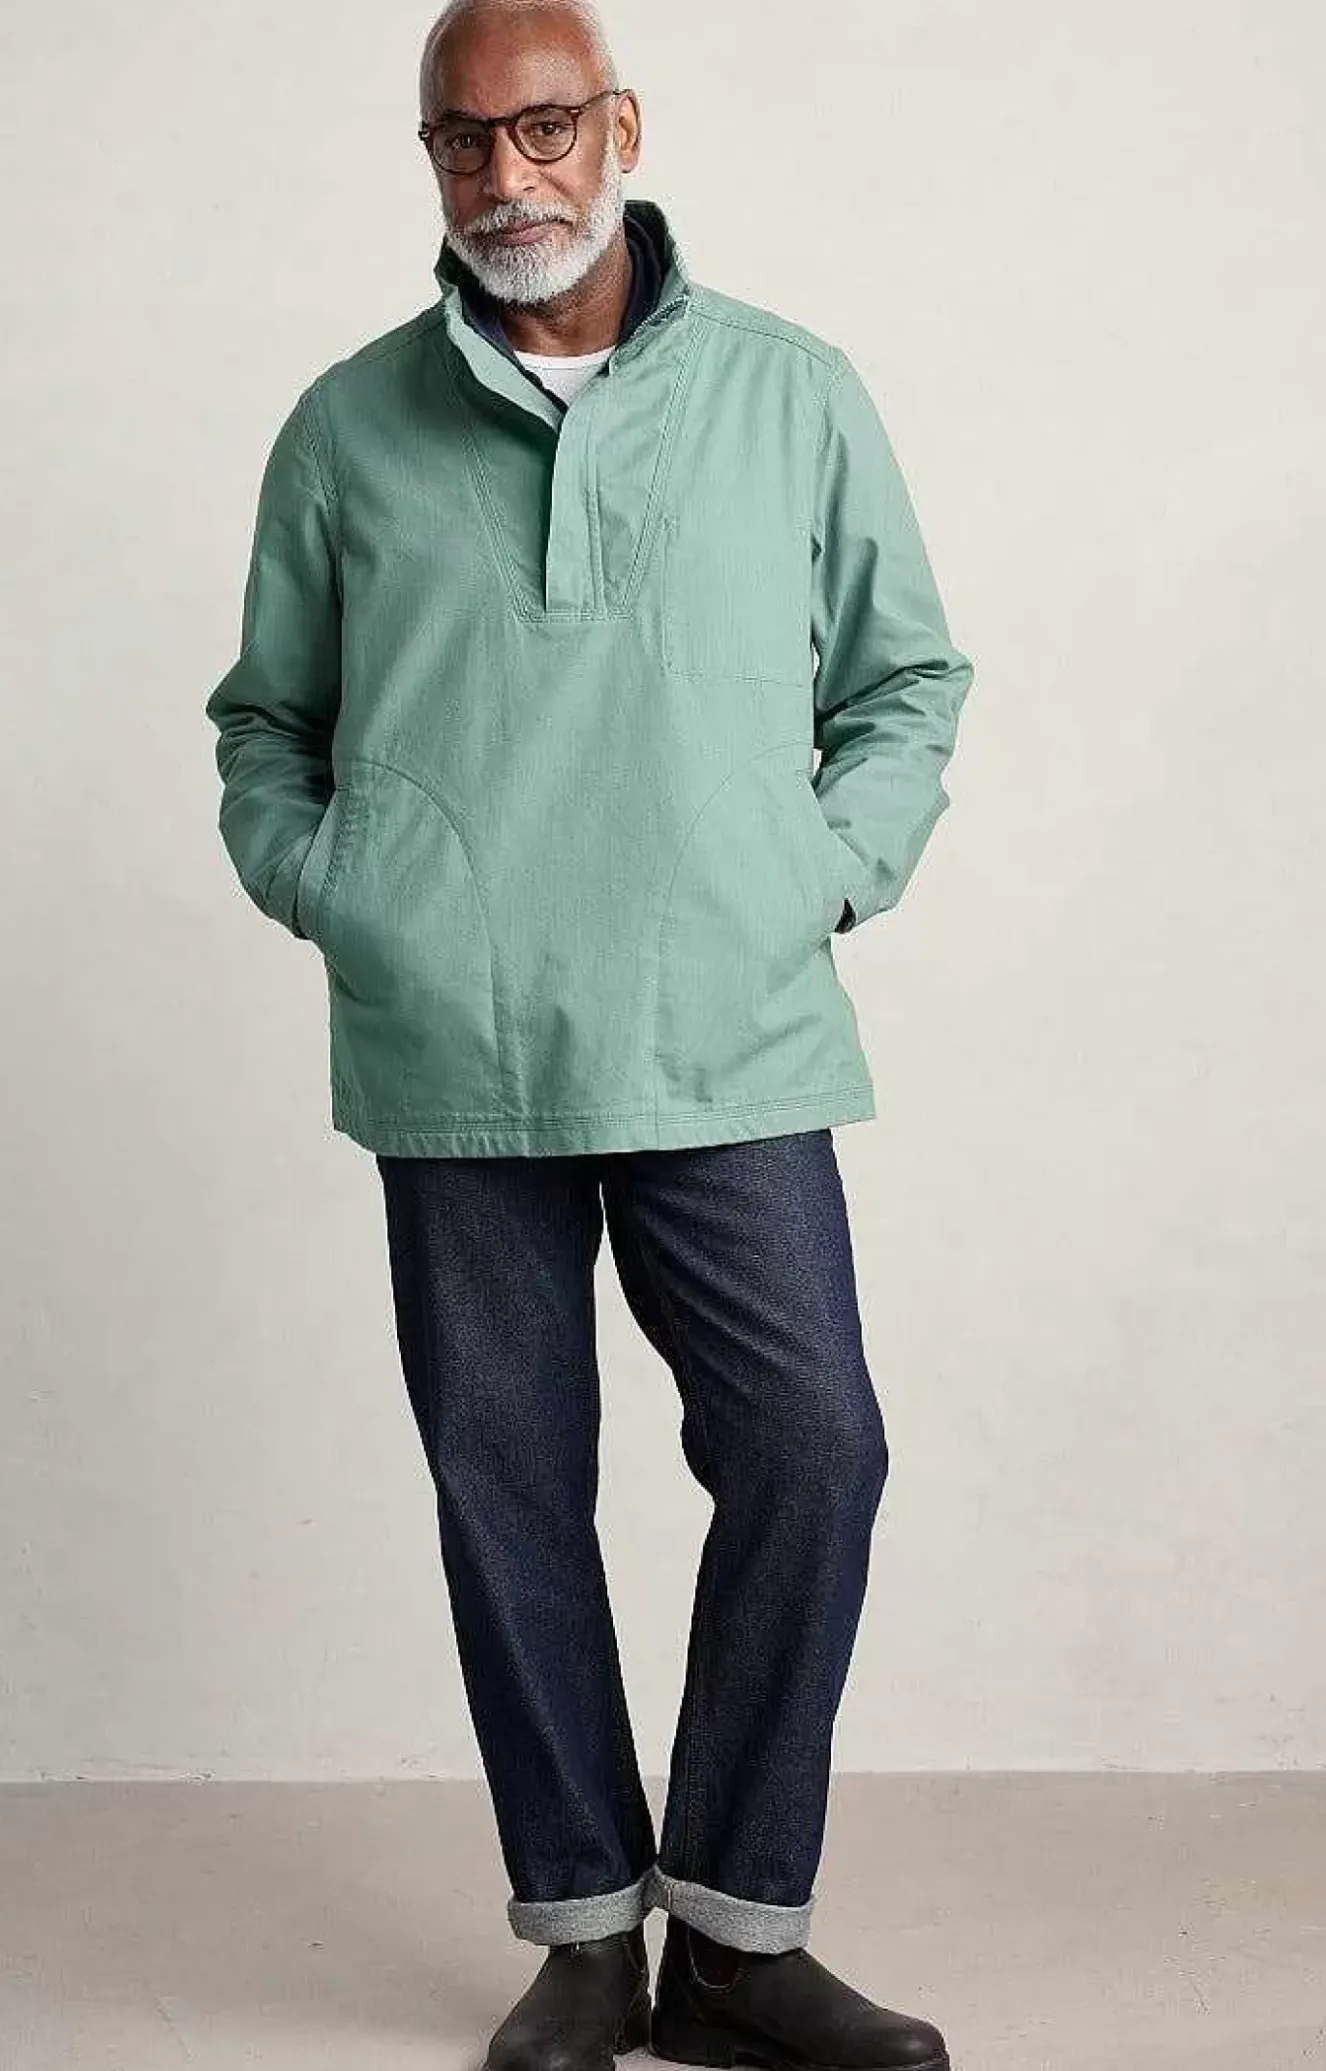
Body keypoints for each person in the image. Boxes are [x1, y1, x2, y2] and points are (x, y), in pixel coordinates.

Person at [204, 1, 974, 2065]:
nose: (507, 177)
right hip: (453, 1052)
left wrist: (821, 874)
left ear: (621, 127)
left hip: (727, 1029)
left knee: (815, 1445)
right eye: (463, 142)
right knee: (510, 1487)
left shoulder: (791, 394)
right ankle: (580, 1933)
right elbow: (266, 721)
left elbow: (907, 680)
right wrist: (341, 885)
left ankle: (736, 1931)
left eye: (543, 128)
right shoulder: (348, 427)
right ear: (431, 162)